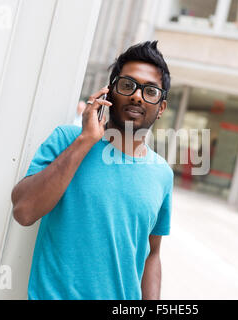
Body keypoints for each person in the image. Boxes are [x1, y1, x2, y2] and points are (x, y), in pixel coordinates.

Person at [11, 41, 173, 300]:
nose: (137, 95)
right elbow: (24, 211)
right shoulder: (68, 139)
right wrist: (86, 140)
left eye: (150, 91)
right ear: (108, 94)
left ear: (161, 107)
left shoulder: (162, 174)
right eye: (128, 85)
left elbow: (152, 253)